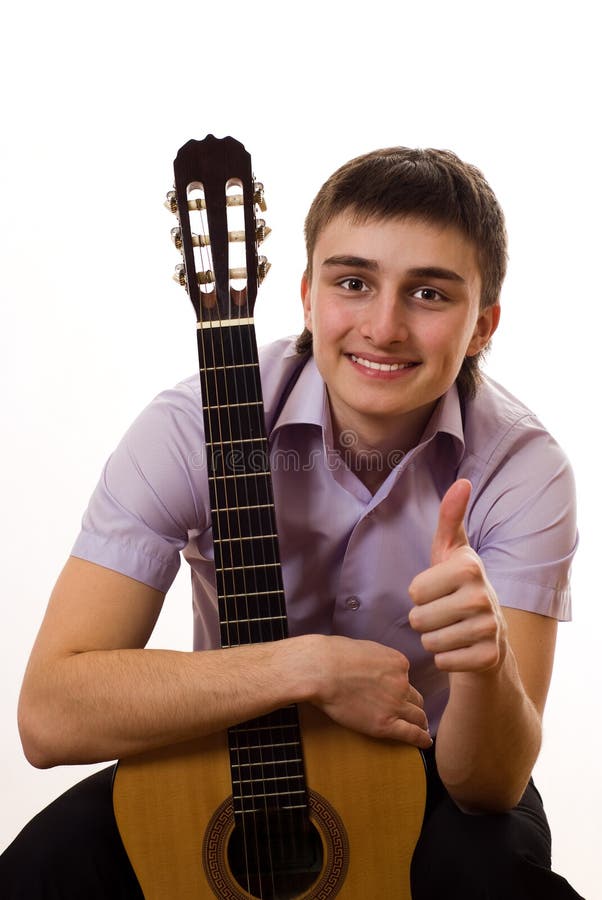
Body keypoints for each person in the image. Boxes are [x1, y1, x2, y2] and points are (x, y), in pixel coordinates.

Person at [1, 146, 584, 898]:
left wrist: (484, 658)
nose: (384, 326)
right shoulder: (192, 430)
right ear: (308, 295)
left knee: (488, 876)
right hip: (227, 757)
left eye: (430, 295)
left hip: (433, 769)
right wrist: (305, 669)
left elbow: (487, 784)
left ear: (482, 325)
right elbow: (50, 716)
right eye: (353, 282)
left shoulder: (522, 470)